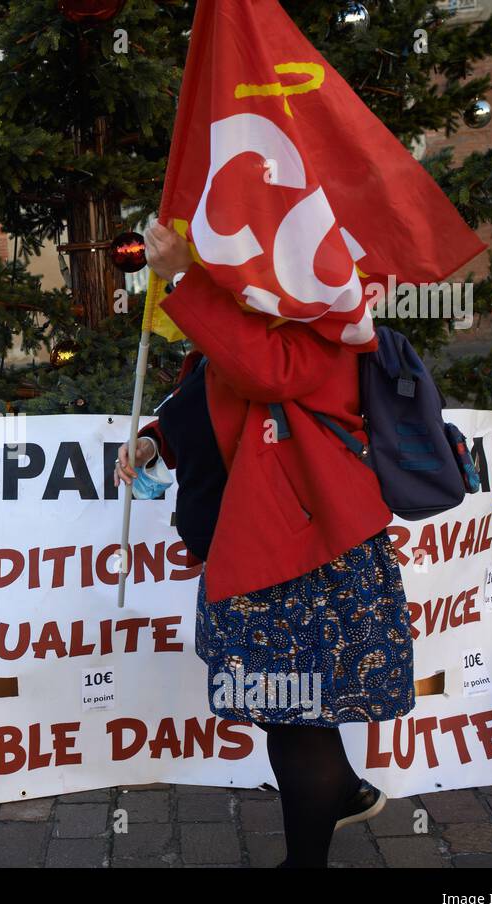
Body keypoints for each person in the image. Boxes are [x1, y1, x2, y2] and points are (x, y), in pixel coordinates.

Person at [115, 223, 415, 868]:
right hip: (258, 553)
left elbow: (265, 376)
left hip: (302, 559)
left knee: (292, 716)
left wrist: (184, 281)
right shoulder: (256, 323)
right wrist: (155, 440)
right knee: (289, 710)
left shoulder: (327, 323)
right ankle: (343, 793)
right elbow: (214, 396)